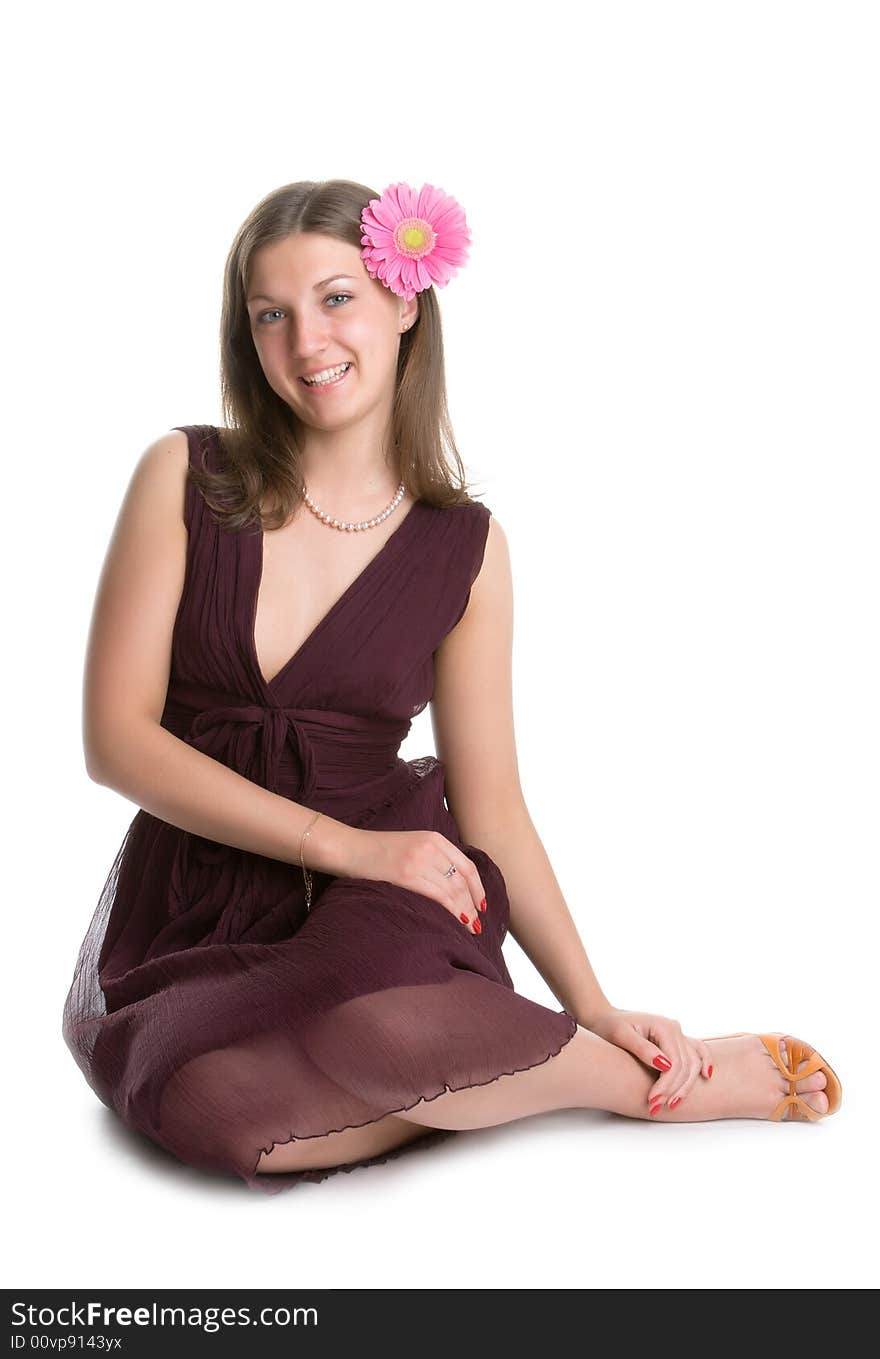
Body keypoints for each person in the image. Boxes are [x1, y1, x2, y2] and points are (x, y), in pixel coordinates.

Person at [62, 178, 842, 1195]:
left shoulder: (465, 548)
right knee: (207, 1113)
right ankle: (511, 1078)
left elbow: (496, 813)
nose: (307, 343)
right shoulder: (182, 476)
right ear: (244, 337)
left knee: (392, 1024)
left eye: (337, 298)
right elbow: (114, 739)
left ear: (403, 302)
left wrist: (597, 1000)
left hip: (390, 888)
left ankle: (615, 1073)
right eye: (271, 315)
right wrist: (342, 844)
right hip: (207, 894)